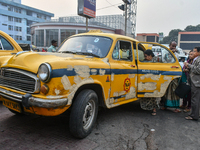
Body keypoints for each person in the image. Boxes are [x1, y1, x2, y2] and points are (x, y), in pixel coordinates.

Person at [184, 47, 200, 120]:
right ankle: (194, 113)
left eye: (194, 51)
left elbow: (198, 70)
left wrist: (188, 65)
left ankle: (194, 116)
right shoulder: (195, 59)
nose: (193, 53)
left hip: (196, 82)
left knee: (195, 100)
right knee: (195, 99)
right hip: (194, 81)